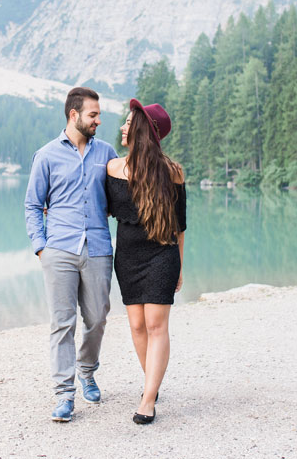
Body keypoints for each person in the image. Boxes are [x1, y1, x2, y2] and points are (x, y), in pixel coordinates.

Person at [24, 86, 118, 423]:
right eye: (93, 114)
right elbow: (33, 204)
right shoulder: (46, 155)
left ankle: (87, 369)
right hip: (59, 250)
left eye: (99, 114)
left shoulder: (107, 153)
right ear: (73, 115)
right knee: (62, 324)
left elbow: (120, 198)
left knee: (97, 317)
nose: (99, 120)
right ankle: (65, 395)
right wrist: (41, 247)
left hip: (97, 248)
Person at [105, 99, 186, 425]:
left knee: (155, 325)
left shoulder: (173, 173)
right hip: (127, 256)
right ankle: (152, 381)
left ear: (142, 131)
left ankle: (148, 398)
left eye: (128, 123)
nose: (123, 128)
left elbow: (180, 227)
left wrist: (180, 265)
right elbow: (98, 209)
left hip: (162, 255)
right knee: (137, 325)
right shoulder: (113, 169)